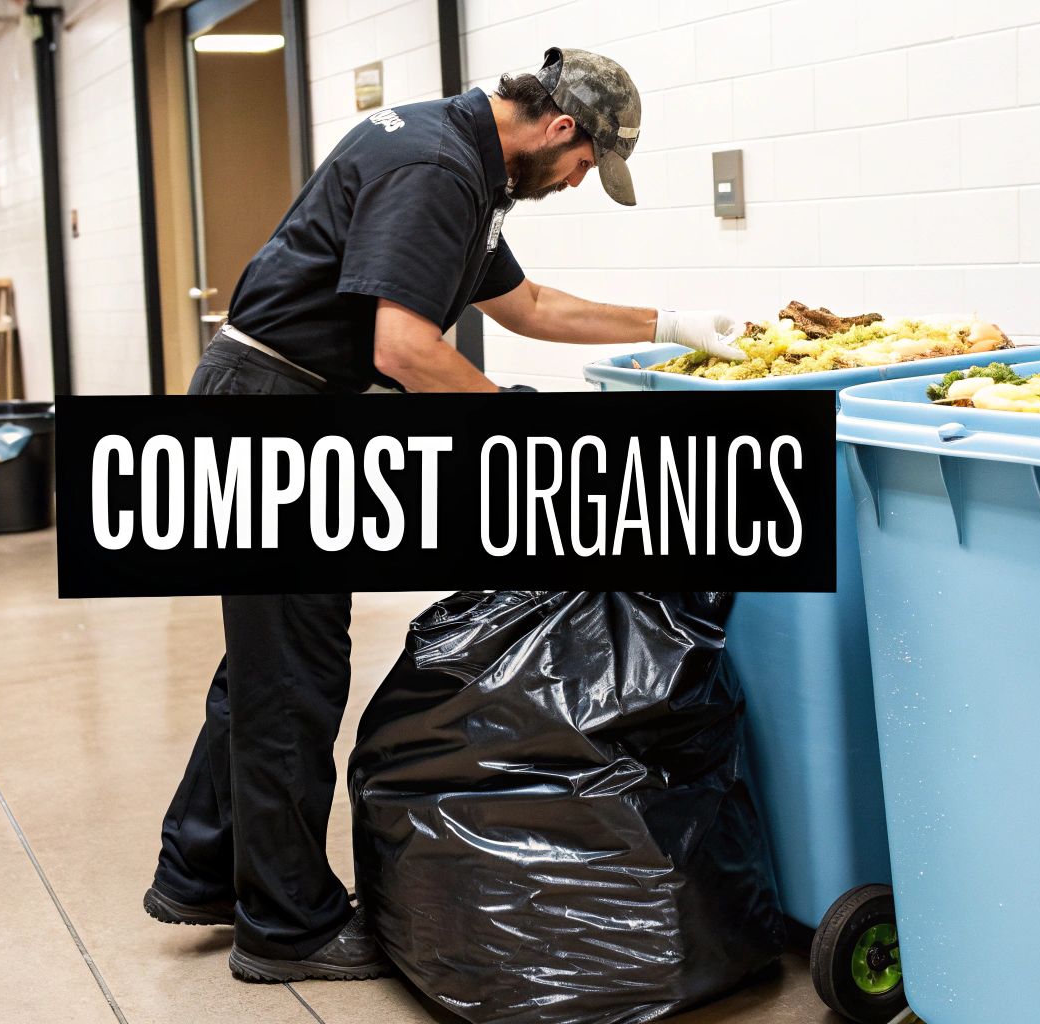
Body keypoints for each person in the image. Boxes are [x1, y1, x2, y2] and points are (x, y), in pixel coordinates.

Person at [142, 47, 743, 983]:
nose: (578, 183)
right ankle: (285, 928)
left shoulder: (463, 160)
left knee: (268, 659)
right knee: (293, 676)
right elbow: (407, 349)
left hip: (283, 398)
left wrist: (669, 325)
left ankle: (202, 865)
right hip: (271, 409)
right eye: (585, 165)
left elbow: (527, 305)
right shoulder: (434, 167)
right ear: (560, 128)